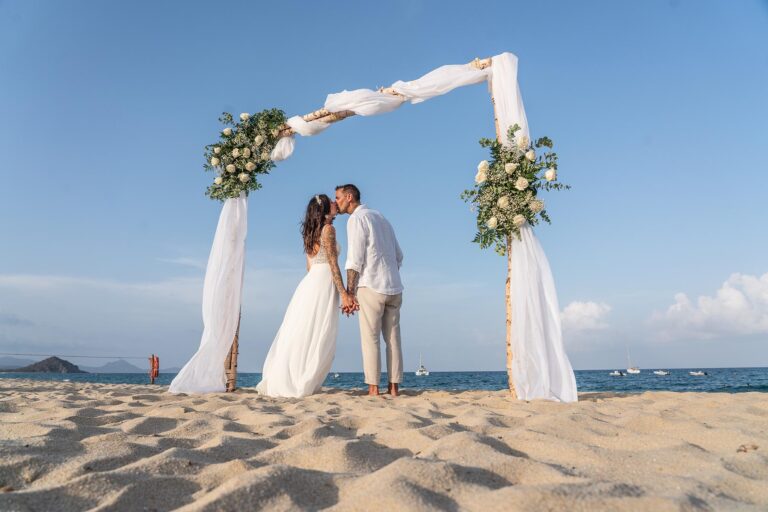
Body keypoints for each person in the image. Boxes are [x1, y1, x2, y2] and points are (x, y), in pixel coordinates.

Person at [256, 194, 353, 397]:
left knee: (304, 329)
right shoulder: (329, 230)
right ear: (326, 210)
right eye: (331, 202)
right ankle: (302, 378)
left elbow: (309, 265)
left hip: (311, 282)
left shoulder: (311, 232)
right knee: (318, 331)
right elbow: (333, 264)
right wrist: (344, 294)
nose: (336, 204)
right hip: (324, 280)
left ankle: (295, 375)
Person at [335, 184, 404, 396]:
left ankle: (373, 388)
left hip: (371, 285)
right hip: (394, 286)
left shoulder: (356, 219)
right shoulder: (381, 218)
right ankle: (394, 388)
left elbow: (355, 259)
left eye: (338, 198)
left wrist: (349, 293)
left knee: (370, 338)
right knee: (393, 339)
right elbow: (399, 255)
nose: (336, 202)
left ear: (349, 197)